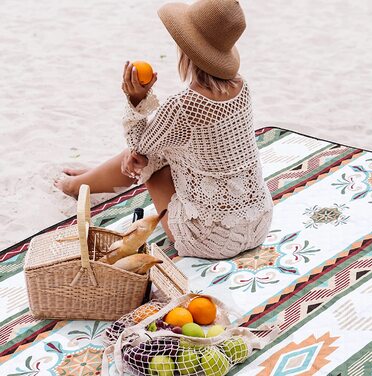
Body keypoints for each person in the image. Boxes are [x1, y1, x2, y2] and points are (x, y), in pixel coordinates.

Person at [55, 0, 273, 259]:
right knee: (161, 150)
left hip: (211, 240)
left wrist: (135, 99)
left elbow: (138, 146)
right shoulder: (242, 87)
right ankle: (91, 178)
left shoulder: (183, 105)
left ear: (187, 48)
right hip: (258, 222)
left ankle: (77, 185)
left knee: (148, 162)